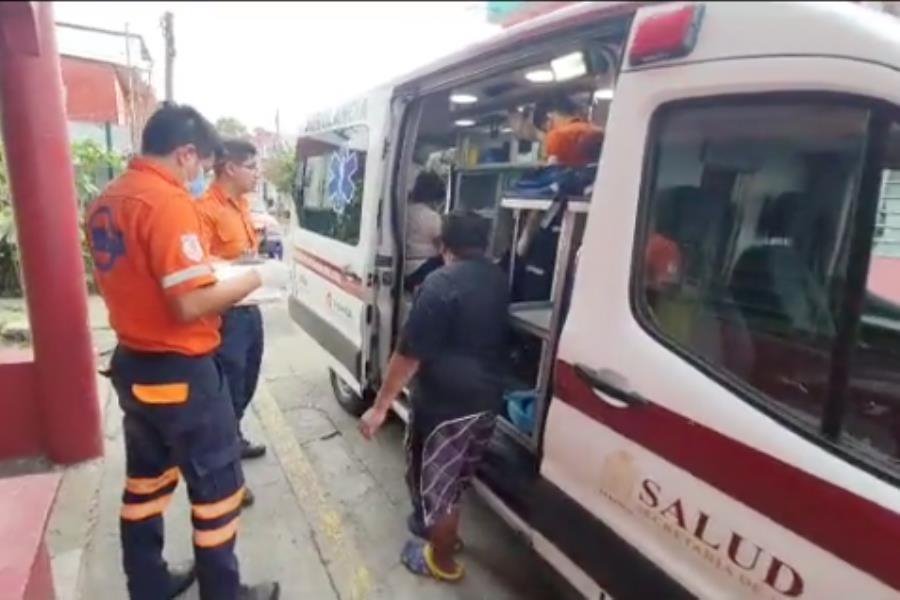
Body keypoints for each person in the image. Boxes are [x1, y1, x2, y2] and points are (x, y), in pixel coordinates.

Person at [87, 104, 284, 600]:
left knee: (146, 484)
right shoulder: (166, 201)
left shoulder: (108, 199)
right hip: (180, 369)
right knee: (217, 490)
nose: (198, 175)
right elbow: (188, 303)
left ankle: (148, 584)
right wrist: (258, 278)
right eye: (200, 164)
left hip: (134, 364)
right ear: (186, 152)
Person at [359, 211, 509, 583]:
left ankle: (441, 560)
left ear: (442, 245)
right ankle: (448, 538)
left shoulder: (440, 284)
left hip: (444, 407)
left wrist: (380, 408)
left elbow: (409, 353)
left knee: (436, 491)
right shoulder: (497, 277)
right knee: (455, 480)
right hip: (486, 402)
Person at [196, 140, 267, 507]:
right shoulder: (204, 210)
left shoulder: (241, 205)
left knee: (245, 383)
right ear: (230, 169)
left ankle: (234, 437)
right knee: (225, 391)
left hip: (250, 307)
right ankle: (227, 480)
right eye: (252, 166)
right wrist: (236, 268)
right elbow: (199, 263)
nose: (258, 173)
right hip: (226, 314)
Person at [403, 171, 445, 293]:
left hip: (404, 269)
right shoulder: (432, 217)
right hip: (424, 270)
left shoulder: (405, 211)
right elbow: (442, 248)